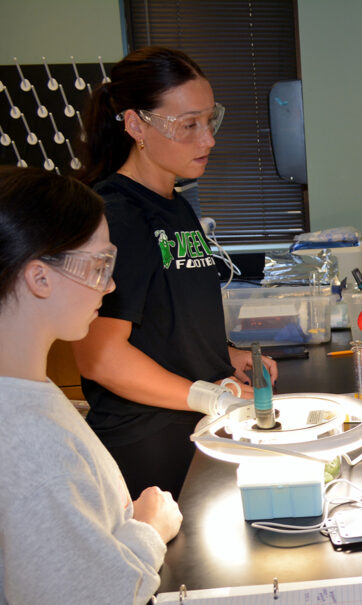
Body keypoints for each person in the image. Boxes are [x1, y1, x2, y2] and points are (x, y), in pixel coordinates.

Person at [0, 165, 182, 605]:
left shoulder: (27, 388)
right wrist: (147, 529)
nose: (110, 285)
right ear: (40, 277)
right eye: (100, 266)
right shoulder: (24, 441)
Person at [73, 47, 276, 499]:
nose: (208, 140)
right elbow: (100, 357)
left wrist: (227, 354)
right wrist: (210, 396)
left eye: (210, 121)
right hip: (147, 448)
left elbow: (168, 313)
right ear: (135, 125)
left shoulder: (177, 204)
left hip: (196, 433)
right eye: (188, 126)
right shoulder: (115, 216)